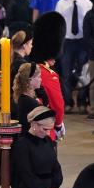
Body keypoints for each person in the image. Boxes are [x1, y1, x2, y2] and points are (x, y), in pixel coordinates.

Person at [55, 0, 92, 112]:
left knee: (83, 73)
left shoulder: (87, 3)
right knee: (65, 72)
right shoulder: (61, 3)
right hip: (67, 41)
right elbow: (57, 24)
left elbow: (89, 24)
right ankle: (68, 102)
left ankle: (82, 102)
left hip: (82, 41)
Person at [28, 10, 66, 138]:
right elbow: (58, 105)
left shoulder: (27, 68)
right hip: (44, 129)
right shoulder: (47, 74)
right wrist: (59, 124)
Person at [12, 60, 49, 134]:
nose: (40, 79)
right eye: (38, 77)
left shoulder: (24, 95)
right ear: (30, 80)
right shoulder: (29, 102)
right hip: (29, 141)